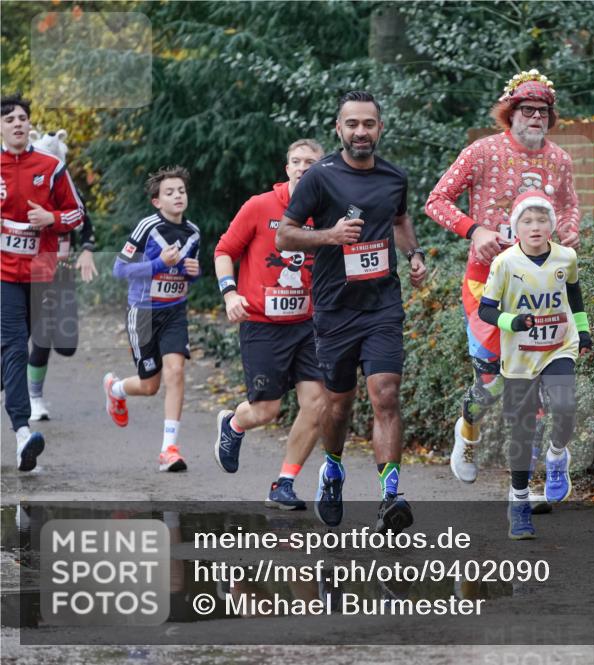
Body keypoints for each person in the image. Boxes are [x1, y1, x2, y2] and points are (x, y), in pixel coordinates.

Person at [276, 90, 427, 533]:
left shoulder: (394, 177)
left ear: (381, 128)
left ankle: (390, 496)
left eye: (369, 124)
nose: (361, 131)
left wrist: (414, 254)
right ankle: (334, 470)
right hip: (335, 309)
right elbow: (285, 235)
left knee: (385, 394)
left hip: (382, 305)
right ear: (338, 129)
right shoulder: (319, 178)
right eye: (352, 124)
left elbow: (399, 220)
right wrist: (330, 236)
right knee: (338, 406)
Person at [424, 69, 580, 485]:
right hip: (487, 283)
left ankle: (526, 478)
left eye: (543, 111)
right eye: (526, 110)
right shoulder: (481, 152)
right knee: (491, 377)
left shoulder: (560, 160)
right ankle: (468, 432)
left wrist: (569, 231)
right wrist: (475, 230)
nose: (535, 118)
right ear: (509, 114)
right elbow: (435, 201)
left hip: (541, 287)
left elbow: (569, 208)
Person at [213, 138, 335, 513]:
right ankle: (234, 424)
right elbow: (223, 251)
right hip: (263, 324)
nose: (302, 167)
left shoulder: (329, 213)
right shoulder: (260, 206)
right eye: (295, 161)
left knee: (317, 403)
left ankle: (284, 483)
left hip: (309, 326)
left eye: (310, 162)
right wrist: (230, 294)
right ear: (287, 169)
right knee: (265, 411)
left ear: (321, 169)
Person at [477, 191, 592, 539]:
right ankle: (519, 503)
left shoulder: (566, 257)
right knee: (522, 432)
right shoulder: (505, 263)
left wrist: (583, 331)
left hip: (559, 346)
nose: (536, 226)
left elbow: (574, 295)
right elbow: (486, 310)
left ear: (552, 225)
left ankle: (557, 456)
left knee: (565, 405)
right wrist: (513, 322)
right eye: (527, 221)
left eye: (542, 220)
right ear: (516, 228)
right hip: (520, 356)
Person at [1, 94, 85, 471]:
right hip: (3, 275)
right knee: (15, 347)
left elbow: (78, 214)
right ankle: (23, 433)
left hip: (42, 272)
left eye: (22, 118)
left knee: (35, 342)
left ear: (29, 125)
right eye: (9, 119)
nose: (17, 123)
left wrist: (51, 218)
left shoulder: (50, 166)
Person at [102, 166, 200, 472]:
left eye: (181, 191)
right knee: (149, 386)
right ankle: (115, 390)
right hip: (143, 312)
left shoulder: (193, 232)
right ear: (157, 201)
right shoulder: (147, 227)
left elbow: (184, 274)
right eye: (169, 193)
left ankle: (169, 448)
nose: (177, 196)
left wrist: (193, 274)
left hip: (174, 312)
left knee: (176, 372)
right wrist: (158, 263)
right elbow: (120, 269)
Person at [26, 129, 99, 421]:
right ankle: (34, 398)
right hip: (31, 270)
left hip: (63, 271)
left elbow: (86, 225)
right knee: (37, 338)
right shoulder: (26, 190)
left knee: (66, 346)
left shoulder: (70, 190)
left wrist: (87, 250)